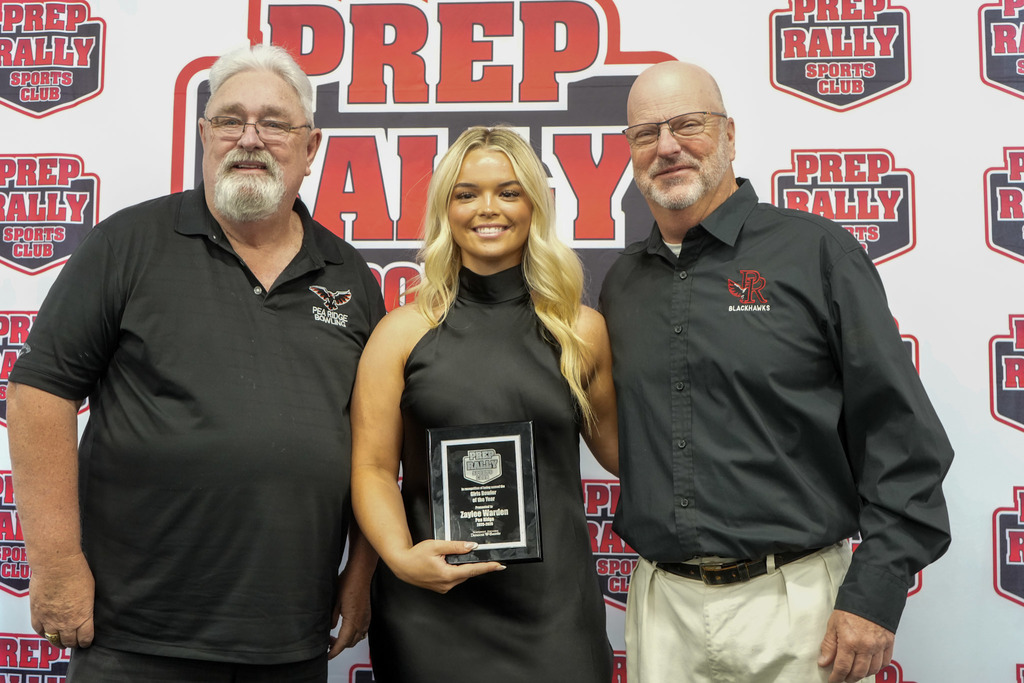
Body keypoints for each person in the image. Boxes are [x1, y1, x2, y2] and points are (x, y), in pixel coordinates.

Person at [6, 44, 384, 682]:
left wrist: (360, 575)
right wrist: (57, 565)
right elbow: (39, 395)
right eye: (230, 119)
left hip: (289, 640)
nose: (250, 138)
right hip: (134, 636)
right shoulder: (126, 244)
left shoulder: (350, 276)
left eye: (274, 122)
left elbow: (377, 445)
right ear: (204, 134)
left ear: (312, 145)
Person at [599, 61, 954, 683]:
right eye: (646, 134)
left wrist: (875, 590)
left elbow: (901, 437)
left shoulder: (815, 253)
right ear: (629, 153)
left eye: (689, 125)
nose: (668, 147)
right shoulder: (621, 285)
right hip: (663, 612)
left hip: (798, 609)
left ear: (730, 136)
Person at [350, 126, 618, 683]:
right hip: (431, 608)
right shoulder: (401, 333)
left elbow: (625, 455)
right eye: (466, 193)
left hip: (554, 615)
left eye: (508, 191)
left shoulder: (580, 331)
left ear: (534, 205)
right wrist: (401, 557)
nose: (487, 209)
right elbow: (373, 469)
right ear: (445, 209)